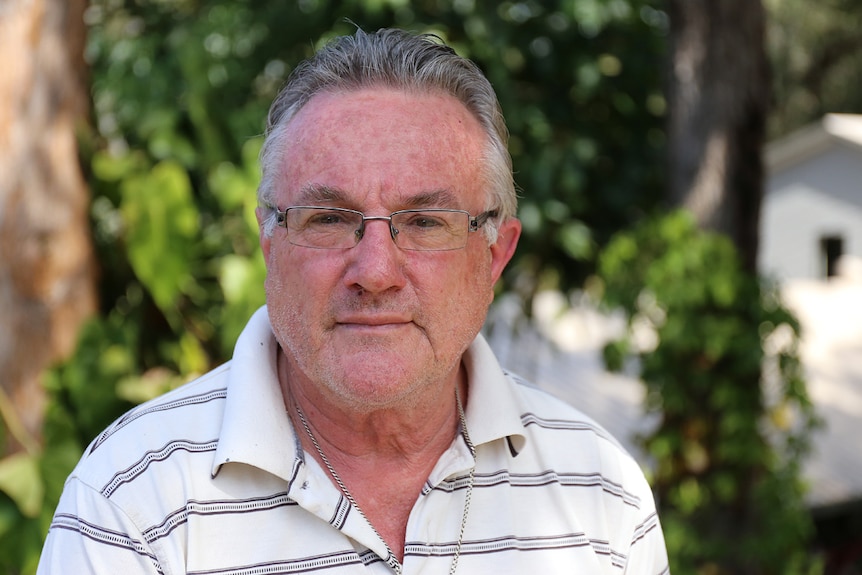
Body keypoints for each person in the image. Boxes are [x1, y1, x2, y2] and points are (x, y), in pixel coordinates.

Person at [38, 27, 669, 574]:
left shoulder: (601, 496)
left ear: (495, 257)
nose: (374, 271)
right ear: (269, 243)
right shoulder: (133, 498)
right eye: (330, 219)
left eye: (425, 223)